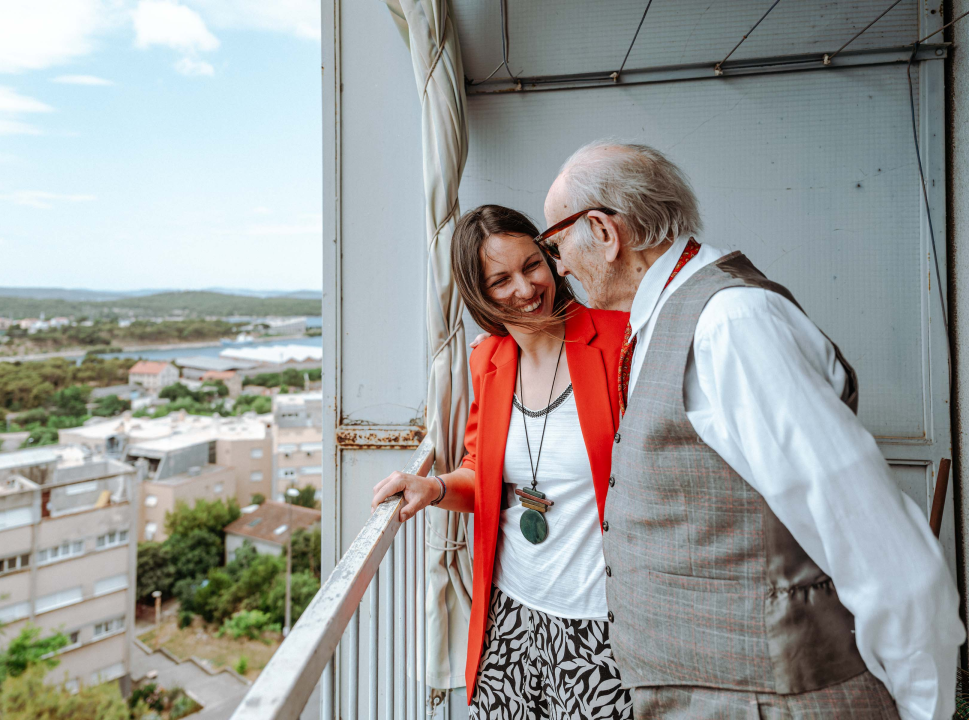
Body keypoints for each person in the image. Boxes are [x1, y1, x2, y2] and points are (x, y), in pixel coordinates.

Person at [531, 140, 965, 720]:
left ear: (604, 232)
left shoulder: (731, 324)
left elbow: (881, 547)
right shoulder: (668, 317)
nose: (558, 266)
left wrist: (923, 709)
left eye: (555, 243)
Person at [371, 205, 633, 720]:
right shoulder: (487, 359)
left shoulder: (620, 339)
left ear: (551, 259)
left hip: (600, 620)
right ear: (479, 294)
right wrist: (434, 488)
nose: (526, 288)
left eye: (532, 265)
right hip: (508, 613)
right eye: (501, 280)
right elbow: (481, 471)